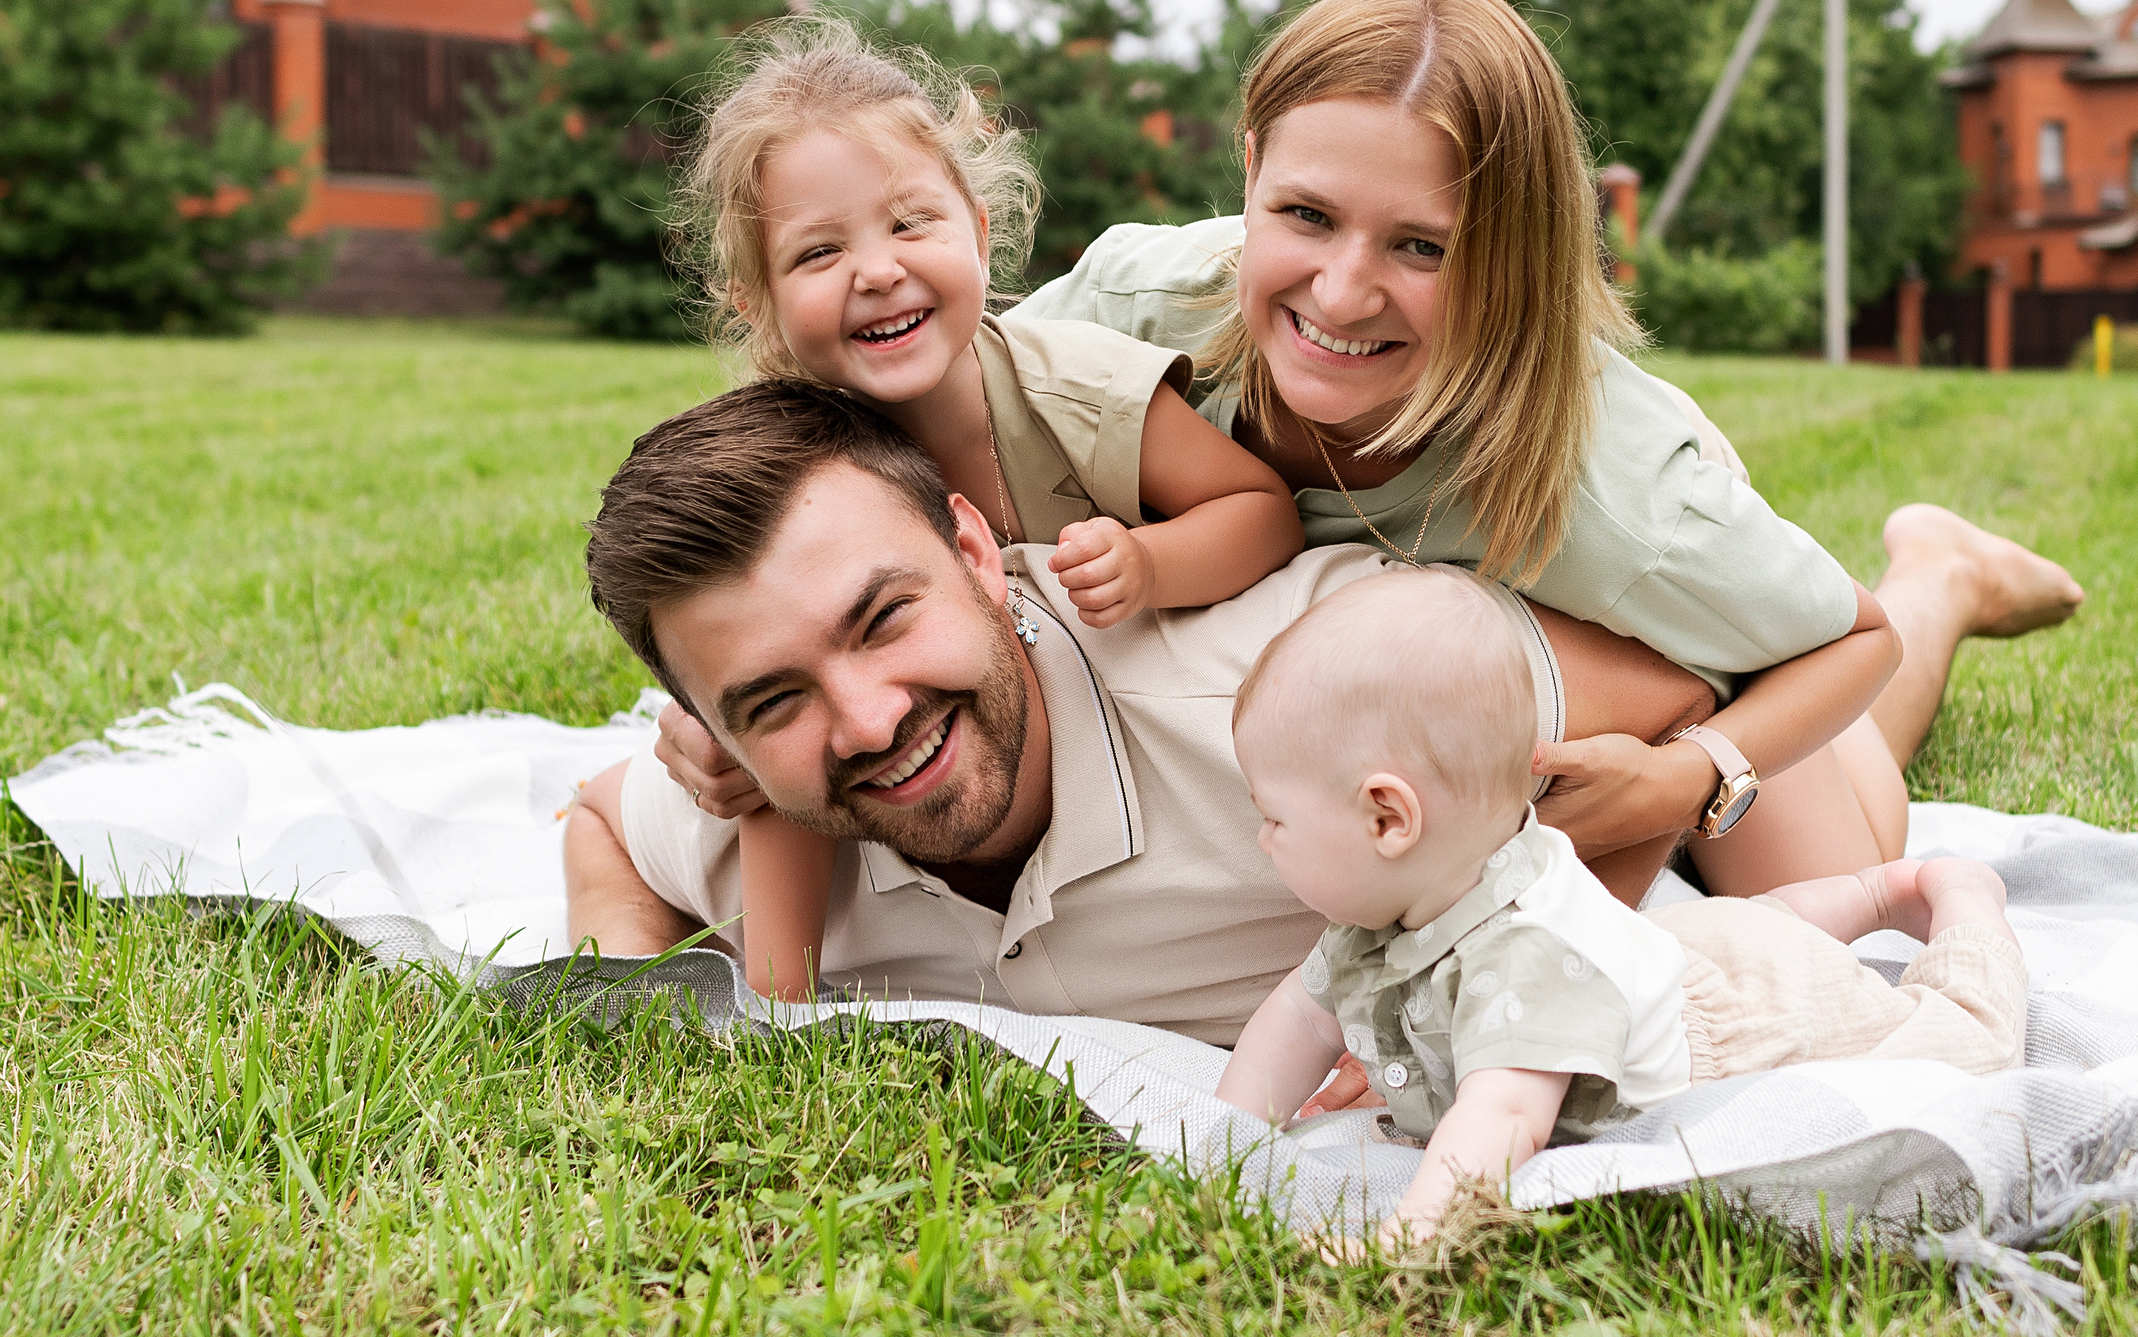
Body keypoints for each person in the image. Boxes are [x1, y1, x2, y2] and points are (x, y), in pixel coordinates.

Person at [1005, 0, 2087, 903]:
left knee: (1836, 884)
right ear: (1249, 170)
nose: (1340, 293)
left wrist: (1694, 772)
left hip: (1684, 625)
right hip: (1549, 661)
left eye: (1421, 248)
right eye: (1304, 215)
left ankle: (1941, 576)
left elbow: (1848, 644)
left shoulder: (1610, 499)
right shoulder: (1141, 310)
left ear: (1509, 253)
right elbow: (958, 396)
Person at [565, 379, 1721, 1039]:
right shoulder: (768, 828)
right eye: (772, 700)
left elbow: (1672, 684)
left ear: (977, 552)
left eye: (881, 619)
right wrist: (630, 980)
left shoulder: (1301, 681)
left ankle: (1916, 572)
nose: (866, 721)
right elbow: (603, 824)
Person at [671, 17, 1304, 998]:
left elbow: (1259, 509)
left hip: (1126, 755)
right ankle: (779, 998)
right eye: (817, 252)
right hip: (925, 758)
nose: (875, 269)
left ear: (979, 224)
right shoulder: (791, 460)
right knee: (778, 712)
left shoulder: (1071, 387)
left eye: (909, 223)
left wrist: (1150, 565)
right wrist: (716, 729)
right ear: (756, 303)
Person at [1214, 570, 2026, 1249]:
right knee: (1741, 931)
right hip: (1655, 961)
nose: (1262, 838)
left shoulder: (1522, 952)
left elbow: (1504, 1114)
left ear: (1389, 818)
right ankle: (1871, 893)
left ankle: (1953, 899)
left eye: (1275, 818)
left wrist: (1414, 1231)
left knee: (1956, 1040)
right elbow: (1298, 1018)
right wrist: (1224, 1143)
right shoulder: (1381, 914)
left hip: (1737, 1032)